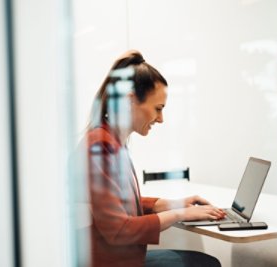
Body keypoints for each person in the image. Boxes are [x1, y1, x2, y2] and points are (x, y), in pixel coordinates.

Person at [77, 50, 225, 267]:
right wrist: (179, 213)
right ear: (130, 101)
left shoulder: (110, 142)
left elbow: (119, 205)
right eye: (158, 109)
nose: (161, 119)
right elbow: (118, 230)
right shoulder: (99, 147)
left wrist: (172, 204)